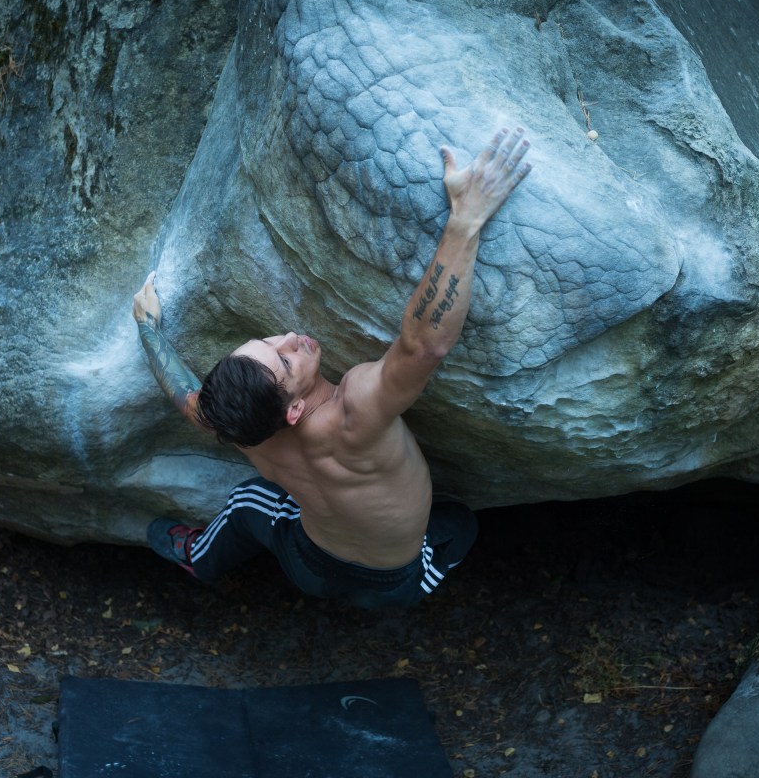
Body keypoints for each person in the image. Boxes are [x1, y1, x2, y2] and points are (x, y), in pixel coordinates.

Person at [132, 127, 531, 608]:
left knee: (248, 502)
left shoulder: (241, 424)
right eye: (284, 359)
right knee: (459, 524)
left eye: (268, 341)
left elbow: (187, 399)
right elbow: (422, 347)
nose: (290, 338)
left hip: (306, 563)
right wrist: (464, 221)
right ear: (295, 410)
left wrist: (150, 331)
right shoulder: (355, 410)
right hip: (392, 587)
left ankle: (198, 555)